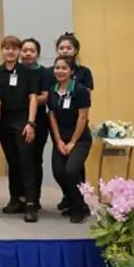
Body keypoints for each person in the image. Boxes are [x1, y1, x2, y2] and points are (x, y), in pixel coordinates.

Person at [0, 36, 39, 222]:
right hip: (4, 122)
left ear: (19, 51)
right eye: (6, 48)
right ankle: (15, 199)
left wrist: (31, 122)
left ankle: (30, 204)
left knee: (26, 162)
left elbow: (33, 98)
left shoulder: (27, 72)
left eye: (14, 48)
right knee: (12, 162)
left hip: (23, 121)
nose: (10, 51)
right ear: (2, 50)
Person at [48, 55, 92, 223]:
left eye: (64, 68)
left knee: (72, 170)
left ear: (71, 71)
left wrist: (72, 142)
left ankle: (78, 208)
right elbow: (52, 116)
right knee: (59, 172)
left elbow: (82, 118)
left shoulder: (80, 90)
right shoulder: (52, 90)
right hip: (61, 138)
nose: (59, 71)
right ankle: (78, 203)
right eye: (57, 68)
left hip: (80, 139)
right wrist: (58, 141)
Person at [20, 38, 50, 208]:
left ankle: (34, 198)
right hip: (16, 121)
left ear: (37, 53)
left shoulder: (44, 72)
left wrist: (26, 102)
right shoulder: (15, 71)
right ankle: (19, 197)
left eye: (31, 50)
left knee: (34, 160)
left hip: (38, 121)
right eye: (24, 50)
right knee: (18, 161)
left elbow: (45, 96)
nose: (27, 54)